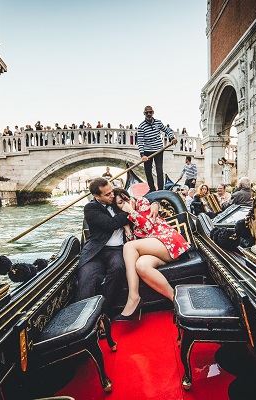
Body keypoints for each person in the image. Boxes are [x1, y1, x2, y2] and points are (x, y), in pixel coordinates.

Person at [112, 188, 190, 321]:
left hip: (170, 242)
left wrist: (132, 211)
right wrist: (127, 228)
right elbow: (134, 248)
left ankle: (133, 297)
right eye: (120, 202)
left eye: (126, 198)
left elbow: (148, 226)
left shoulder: (141, 203)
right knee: (141, 266)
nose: (125, 202)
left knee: (128, 247)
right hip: (157, 251)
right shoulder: (125, 218)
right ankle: (177, 302)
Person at [76, 178, 130, 314]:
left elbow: (139, 200)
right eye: (107, 195)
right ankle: (82, 316)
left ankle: (103, 312)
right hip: (97, 251)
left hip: (117, 249)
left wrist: (154, 205)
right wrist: (128, 211)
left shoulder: (116, 195)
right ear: (96, 196)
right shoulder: (90, 208)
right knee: (87, 277)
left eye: (111, 192)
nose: (112, 195)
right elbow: (110, 224)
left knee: (118, 268)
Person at [137, 105, 177, 192]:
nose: (148, 114)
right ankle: (152, 189)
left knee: (159, 169)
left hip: (159, 149)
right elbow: (140, 141)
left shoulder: (158, 123)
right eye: (146, 112)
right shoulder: (141, 126)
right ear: (144, 114)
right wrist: (142, 155)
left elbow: (167, 130)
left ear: (153, 113)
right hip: (147, 151)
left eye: (150, 112)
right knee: (148, 171)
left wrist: (172, 138)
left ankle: (160, 190)